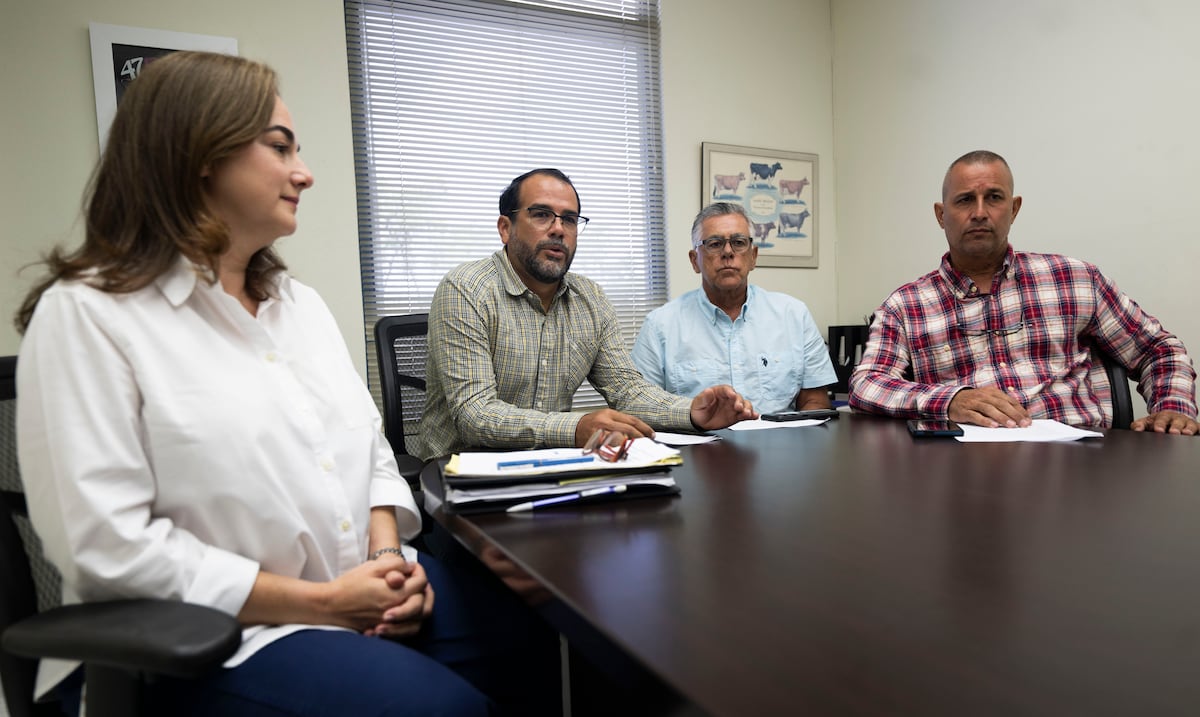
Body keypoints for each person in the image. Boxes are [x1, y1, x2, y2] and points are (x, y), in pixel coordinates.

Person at [15, 51, 558, 716]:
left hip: (353, 590)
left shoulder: (300, 307)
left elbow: (374, 462)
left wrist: (390, 565)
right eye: (279, 147)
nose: (304, 172)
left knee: (543, 637)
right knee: (442, 708)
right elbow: (109, 547)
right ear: (199, 153)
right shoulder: (90, 314)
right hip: (207, 640)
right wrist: (324, 603)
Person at [415, 168, 757, 461]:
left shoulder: (589, 298)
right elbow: (475, 415)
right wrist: (577, 427)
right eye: (541, 215)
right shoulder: (466, 289)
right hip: (462, 471)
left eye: (569, 218)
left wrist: (692, 412)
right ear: (506, 228)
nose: (558, 229)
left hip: (552, 465)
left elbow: (627, 391)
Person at [848, 150, 1198, 434]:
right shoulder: (906, 306)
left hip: (1084, 470)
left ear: (1013, 209)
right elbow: (866, 384)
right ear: (941, 215)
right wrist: (950, 400)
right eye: (965, 200)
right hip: (964, 475)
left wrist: (1172, 408)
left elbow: (1160, 350)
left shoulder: (1074, 279)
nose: (980, 212)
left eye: (994, 198)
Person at [631, 202, 837, 413]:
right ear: (695, 261)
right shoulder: (660, 326)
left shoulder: (794, 315)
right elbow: (642, 408)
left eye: (738, 242)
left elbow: (815, 403)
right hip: (700, 445)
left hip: (779, 442)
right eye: (714, 244)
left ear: (753, 257)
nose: (728, 252)